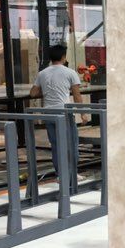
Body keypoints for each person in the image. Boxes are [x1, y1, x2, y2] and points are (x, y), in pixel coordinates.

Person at [30, 44, 83, 175]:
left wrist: (47, 91)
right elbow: (77, 96)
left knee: (56, 145)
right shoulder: (70, 72)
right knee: (71, 144)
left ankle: (60, 174)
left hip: (48, 114)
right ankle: (73, 175)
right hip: (64, 112)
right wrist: (83, 114)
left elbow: (33, 93)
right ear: (64, 57)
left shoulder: (42, 73)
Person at [34, 0, 71, 69]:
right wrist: (44, 27)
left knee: (61, 60)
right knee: (44, 61)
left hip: (58, 36)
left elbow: (64, 14)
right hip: (44, 36)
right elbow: (33, 16)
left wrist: (69, 25)